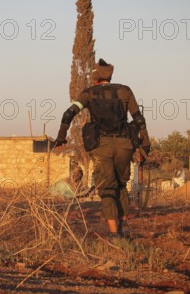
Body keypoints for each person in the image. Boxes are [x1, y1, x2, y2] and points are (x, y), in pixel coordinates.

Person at [55, 59, 150, 240]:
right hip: (125, 144)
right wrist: (145, 144)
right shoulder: (125, 91)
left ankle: (114, 234)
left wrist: (61, 137)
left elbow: (69, 113)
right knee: (121, 184)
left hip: (101, 145)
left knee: (107, 187)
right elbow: (138, 119)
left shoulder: (89, 94)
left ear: (96, 79)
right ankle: (123, 225)